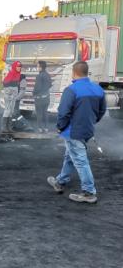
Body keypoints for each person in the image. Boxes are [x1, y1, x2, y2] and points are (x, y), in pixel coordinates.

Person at [47, 61, 106, 204]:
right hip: (87, 130)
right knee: (70, 155)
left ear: (74, 73)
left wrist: (60, 127)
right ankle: (61, 181)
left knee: (80, 160)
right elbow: (102, 110)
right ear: (87, 72)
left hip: (73, 132)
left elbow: (63, 112)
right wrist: (91, 122)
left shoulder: (71, 90)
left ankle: (89, 192)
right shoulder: (98, 89)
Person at [1, 61, 22, 132]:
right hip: (9, 93)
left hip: (14, 94)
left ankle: (9, 127)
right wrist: (9, 92)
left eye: (20, 66)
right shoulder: (12, 73)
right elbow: (4, 83)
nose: (19, 68)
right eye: (18, 66)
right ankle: (4, 127)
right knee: (7, 110)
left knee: (11, 110)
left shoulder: (18, 74)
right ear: (14, 67)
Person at [33, 60, 52, 133]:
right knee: (45, 113)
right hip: (46, 97)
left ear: (41, 67)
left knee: (39, 114)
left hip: (39, 98)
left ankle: (40, 128)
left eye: (37, 66)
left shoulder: (39, 76)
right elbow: (50, 84)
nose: (37, 67)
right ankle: (46, 128)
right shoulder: (47, 75)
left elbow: (37, 88)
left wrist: (33, 93)